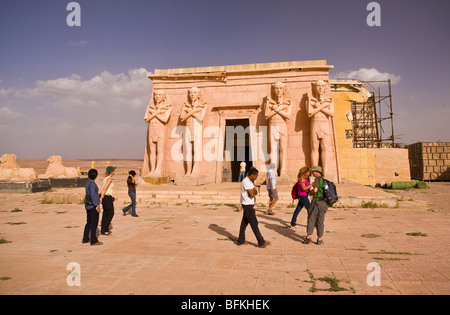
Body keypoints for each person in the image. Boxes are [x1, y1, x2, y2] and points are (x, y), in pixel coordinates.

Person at [237, 167, 270, 248]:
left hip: (248, 203)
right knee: (254, 223)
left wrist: (253, 191)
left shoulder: (249, 181)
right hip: (247, 205)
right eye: (256, 176)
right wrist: (253, 191)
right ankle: (261, 241)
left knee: (244, 222)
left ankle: (240, 240)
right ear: (252, 175)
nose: (256, 177)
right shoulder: (246, 182)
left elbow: (253, 191)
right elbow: (252, 194)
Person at [303, 166, 328, 245]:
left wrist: (309, 193)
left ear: (317, 171)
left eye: (313, 171)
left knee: (311, 218)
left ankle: (308, 237)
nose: (312, 173)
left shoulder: (317, 179)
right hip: (324, 203)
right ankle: (319, 239)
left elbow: (315, 190)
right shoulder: (324, 180)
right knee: (320, 220)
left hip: (316, 201)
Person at [82, 169, 103, 246]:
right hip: (93, 205)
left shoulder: (87, 183)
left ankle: (85, 238)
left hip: (88, 205)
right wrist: (97, 205)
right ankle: (93, 240)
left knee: (89, 222)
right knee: (94, 222)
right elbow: (93, 195)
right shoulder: (93, 184)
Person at [100, 166, 116, 235]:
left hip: (106, 197)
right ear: (111, 172)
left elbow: (101, 188)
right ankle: (105, 229)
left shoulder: (105, 178)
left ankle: (104, 229)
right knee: (111, 213)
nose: (114, 171)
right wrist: (101, 197)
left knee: (106, 213)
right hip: (107, 197)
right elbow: (105, 188)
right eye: (114, 170)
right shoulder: (109, 179)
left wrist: (101, 196)